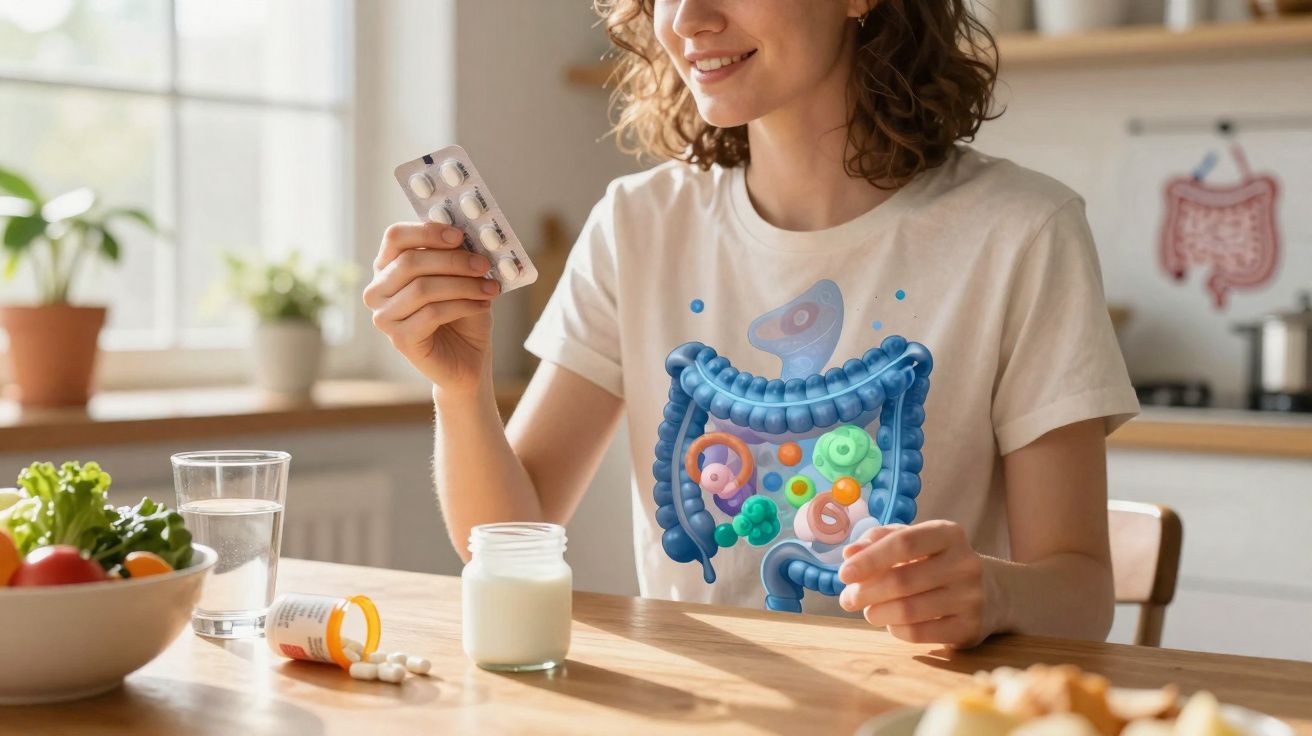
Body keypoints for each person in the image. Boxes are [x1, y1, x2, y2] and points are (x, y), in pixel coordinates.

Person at [363, 0, 1139, 648]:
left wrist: (994, 595)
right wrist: (459, 390)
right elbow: (508, 538)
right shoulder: (636, 225)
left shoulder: (1024, 233)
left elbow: (1080, 591)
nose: (687, 19)